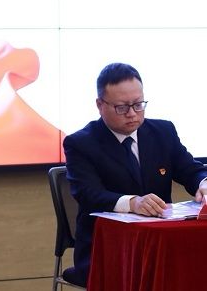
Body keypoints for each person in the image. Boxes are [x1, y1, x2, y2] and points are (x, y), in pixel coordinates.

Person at [63, 62, 207, 286]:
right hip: (106, 248)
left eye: (138, 105)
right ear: (100, 105)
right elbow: (88, 193)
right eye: (122, 107)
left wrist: (203, 182)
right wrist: (133, 203)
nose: (132, 114)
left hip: (161, 243)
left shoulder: (163, 132)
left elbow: (190, 169)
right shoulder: (81, 143)